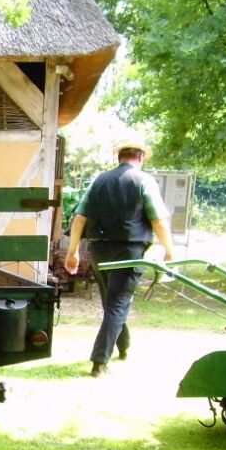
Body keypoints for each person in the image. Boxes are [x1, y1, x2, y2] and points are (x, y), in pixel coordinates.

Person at [64, 138, 175, 377]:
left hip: (99, 251)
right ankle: (99, 362)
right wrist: (170, 251)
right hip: (129, 251)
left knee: (112, 302)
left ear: (119, 157)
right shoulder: (144, 180)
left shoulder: (99, 181)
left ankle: (123, 347)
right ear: (141, 157)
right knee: (117, 304)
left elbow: (80, 219)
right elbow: (158, 221)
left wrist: (73, 252)